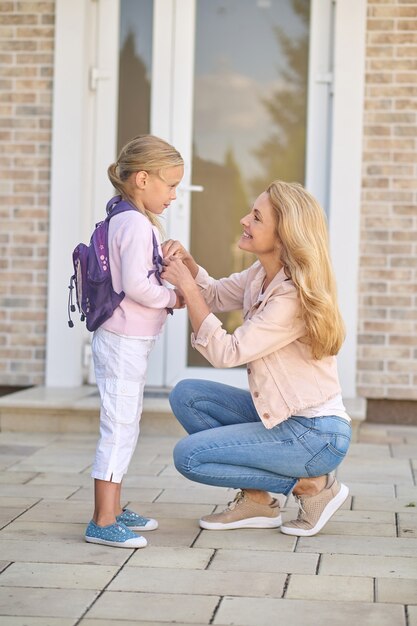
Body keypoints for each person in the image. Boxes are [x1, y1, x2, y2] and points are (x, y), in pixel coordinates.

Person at [161, 180, 351, 537]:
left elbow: (227, 352)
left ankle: (312, 486)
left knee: (190, 457)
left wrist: (186, 286)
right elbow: (214, 295)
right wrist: (190, 265)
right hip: (284, 418)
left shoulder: (290, 296)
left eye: (257, 217)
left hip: (315, 435)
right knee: (188, 395)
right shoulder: (262, 275)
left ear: (282, 236)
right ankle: (257, 502)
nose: (243, 220)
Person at [85, 135, 184, 548]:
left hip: (122, 338)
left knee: (125, 421)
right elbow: (137, 287)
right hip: (124, 341)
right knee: (120, 425)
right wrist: (175, 297)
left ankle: (113, 509)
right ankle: (103, 522)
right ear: (143, 179)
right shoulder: (136, 223)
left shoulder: (121, 216)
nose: (175, 196)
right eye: (171, 185)